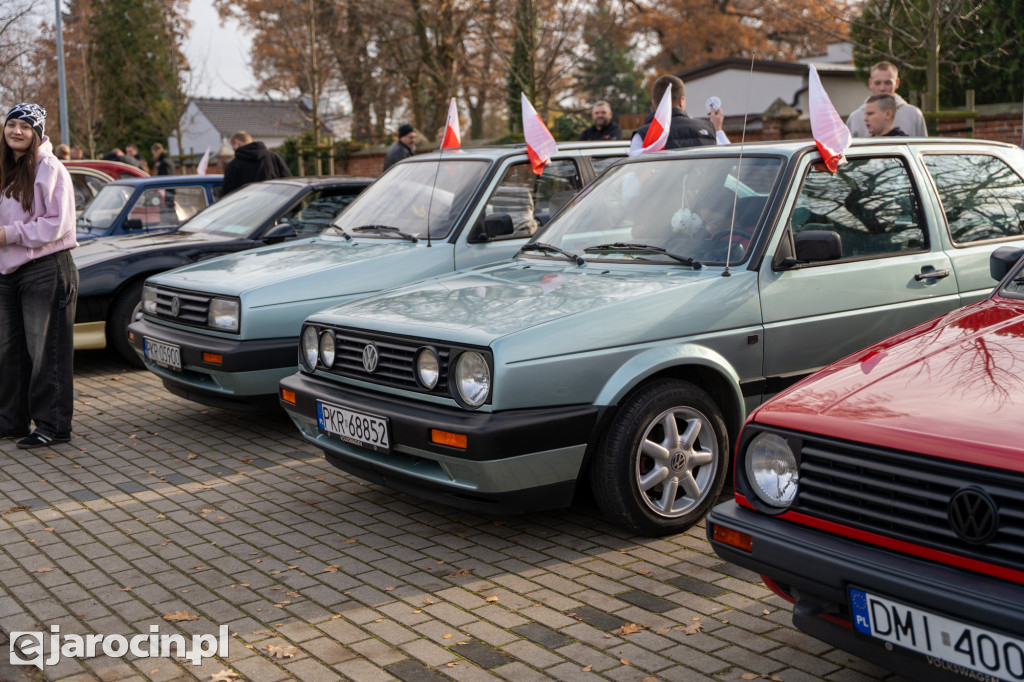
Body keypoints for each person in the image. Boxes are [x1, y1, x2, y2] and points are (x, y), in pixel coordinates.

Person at [0, 103, 78, 449]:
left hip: (45, 270)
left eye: (25, 127)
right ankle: (11, 420)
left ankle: (53, 426)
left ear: (38, 133)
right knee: (9, 351)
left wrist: (8, 235)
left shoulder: (50, 167)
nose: (16, 131)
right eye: (11, 124)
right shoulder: (6, 168)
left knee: (47, 351)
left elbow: (55, 224)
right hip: (8, 271)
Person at [631, 75, 718, 153]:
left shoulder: (643, 135)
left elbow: (635, 168)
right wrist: (719, 129)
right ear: (681, 101)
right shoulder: (708, 129)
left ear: (653, 103)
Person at [846, 62, 927, 138]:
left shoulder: (914, 115)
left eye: (888, 83)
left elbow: (923, 148)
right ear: (870, 83)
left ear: (897, 83)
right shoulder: (855, 118)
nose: (882, 88)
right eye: (877, 83)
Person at [221, 131, 291, 195]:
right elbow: (289, 182)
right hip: (275, 205)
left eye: (233, 148)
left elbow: (227, 193)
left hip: (247, 207)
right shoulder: (273, 157)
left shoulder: (233, 165)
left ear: (237, 143)